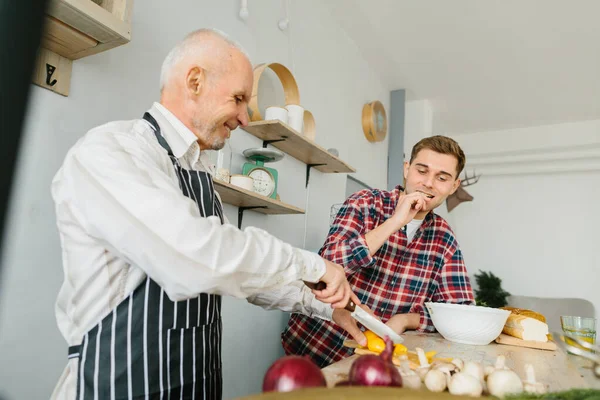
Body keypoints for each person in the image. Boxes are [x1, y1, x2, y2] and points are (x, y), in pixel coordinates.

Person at [49, 28, 360, 399]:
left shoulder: (196, 171)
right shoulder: (112, 152)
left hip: (196, 381)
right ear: (194, 81)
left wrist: (324, 305)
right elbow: (199, 256)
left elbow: (236, 268)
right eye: (239, 98)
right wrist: (314, 265)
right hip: (119, 385)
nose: (245, 118)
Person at [281, 135, 476, 367]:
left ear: (454, 186)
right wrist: (395, 222)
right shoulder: (364, 203)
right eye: (422, 171)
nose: (428, 183)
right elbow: (325, 267)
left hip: (377, 362)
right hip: (316, 348)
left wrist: (406, 320)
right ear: (407, 169)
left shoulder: (444, 238)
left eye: (442, 178)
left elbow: (459, 313)